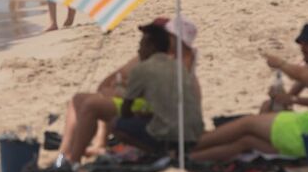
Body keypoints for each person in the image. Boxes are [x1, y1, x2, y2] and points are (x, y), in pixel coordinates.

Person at [57, 21, 203, 164]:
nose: (140, 46)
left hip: (161, 124)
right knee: (79, 99)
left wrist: (120, 92)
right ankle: (64, 156)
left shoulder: (176, 65)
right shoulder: (165, 60)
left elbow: (158, 101)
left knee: (92, 106)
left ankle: (72, 161)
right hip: (155, 114)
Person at [191, 49, 308, 162]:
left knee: (248, 123)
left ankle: (190, 146)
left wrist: (281, 66)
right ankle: (190, 157)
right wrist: (289, 97)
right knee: (246, 139)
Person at [259, 24, 308, 114]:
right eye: (302, 45)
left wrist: (293, 100)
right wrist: (279, 96)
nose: (302, 49)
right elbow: (291, 95)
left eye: (307, 45)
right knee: (266, 106)